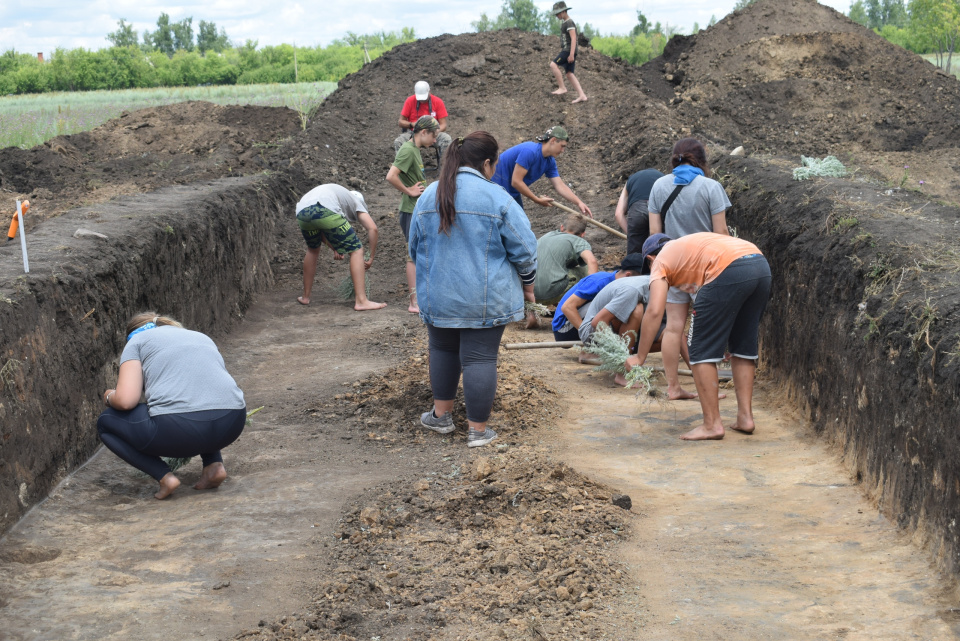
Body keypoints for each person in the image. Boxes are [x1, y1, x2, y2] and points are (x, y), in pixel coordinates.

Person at [409, 131, 538, 448]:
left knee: (442, 349)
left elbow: (414, 248)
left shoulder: (429, 196)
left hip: (437, 296)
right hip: (484, 300)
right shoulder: (497, 197)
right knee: (479, 359)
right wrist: (528, 283)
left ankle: (441, 418)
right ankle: (478, 432)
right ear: (488, 163)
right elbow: (525, 249)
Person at [626, 232, 771, 441]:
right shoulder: (689, 248)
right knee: (742, 346)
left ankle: (712, 425)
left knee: (700, 350)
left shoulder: (660, 262)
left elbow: (655, 311)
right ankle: (745, 418)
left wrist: (639, 357)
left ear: (649, 260)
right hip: (759, 264)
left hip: (728, 269)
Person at [98, 313, 247, 499]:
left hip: (180, 429)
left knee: (105, 422)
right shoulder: (199, 336)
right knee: (197, 400)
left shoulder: (136, 342)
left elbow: (127, 401)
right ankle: (214, 466)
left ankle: (164, 476)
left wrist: (109, 396)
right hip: (233, 422)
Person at [647, 138, 731, 400]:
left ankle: (673, 387)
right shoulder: (711, 187)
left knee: (673, 327)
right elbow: (722, 233)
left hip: (671, 266)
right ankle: (709, 390)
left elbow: (654, 235)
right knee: (705, 327)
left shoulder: (659, 186)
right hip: (704, 268)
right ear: (703, 161)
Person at [294, 184, 387, 311]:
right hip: (323, 208)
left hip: (302, 212)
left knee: (312, 249)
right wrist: (371, 257)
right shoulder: (356, 202)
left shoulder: (337, 196)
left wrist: (335, 247)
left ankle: (305, 297)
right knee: (357, 250)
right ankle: (361, 301)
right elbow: (373, 228)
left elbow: (320, 229)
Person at [386, 115, 439, 313]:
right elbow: (391, 176)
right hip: (410, 210)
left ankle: (420, 298)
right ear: (423, 132)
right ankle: (414, 302)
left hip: (416, 209)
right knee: (412, 255)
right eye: (433, 136)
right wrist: (409, 190)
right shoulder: (407, 150)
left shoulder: (414, 149)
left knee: (419, 253)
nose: (435, 141)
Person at [491, 126, 594, 219]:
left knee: (520, 224)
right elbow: (516, 181)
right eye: (562, 146)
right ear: (553, 140)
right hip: (495, 188)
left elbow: (559, 185)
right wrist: (536, 199)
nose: (563, 150)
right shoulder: (530, 151)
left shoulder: (550, 161)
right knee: (504, 224)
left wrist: (579, 202)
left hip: (511, 192)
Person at [552, 252, 645, 343]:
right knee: (611, 306)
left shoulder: (619, 285)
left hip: (581, 322)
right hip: (563, 329)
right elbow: (567, 307)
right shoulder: (600, 280)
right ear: (628, 275)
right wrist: (586, 336)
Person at [533, 214, 599, 305]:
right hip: (550, 293)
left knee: (556, 268)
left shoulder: (547, 236)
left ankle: (532, 314)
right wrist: (591, 289)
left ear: (561, 227)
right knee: (587, 270)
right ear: (583, 234)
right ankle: (581, 306)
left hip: (530, 294)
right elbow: (592, 261)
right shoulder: (577, 240)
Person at [393, 81, 453, 164]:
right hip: (414, 133)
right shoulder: (410, 101)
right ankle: (404, 171)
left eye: (424, 98)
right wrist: (412, 124)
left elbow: (444, 125)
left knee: (446, 139)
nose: (422, 100)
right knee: (399, 142)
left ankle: (444, 170)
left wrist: (434, 131)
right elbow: (400, 122)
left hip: (433, 134)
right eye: (420, 99)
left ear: (429, 91)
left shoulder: (437, 102)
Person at [614, 168, 665, 255]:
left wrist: (633, 236)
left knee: (635, 258)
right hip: (657, 207)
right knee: (659, 249)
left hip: (637, 210)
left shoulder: (631, 180)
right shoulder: (663, 178)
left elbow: (618, 214)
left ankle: (635, 267)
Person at [549, 2, 588, 103]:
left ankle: (562, 88)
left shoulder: (569, 22)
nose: (557, 16)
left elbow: (574, 37)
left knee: (553, 65)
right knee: (569, 74)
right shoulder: (565, 23)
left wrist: (571, 54)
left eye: (557, 14)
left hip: (568, 50)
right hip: (569, 50)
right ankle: (582, 95)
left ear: (563, 12)